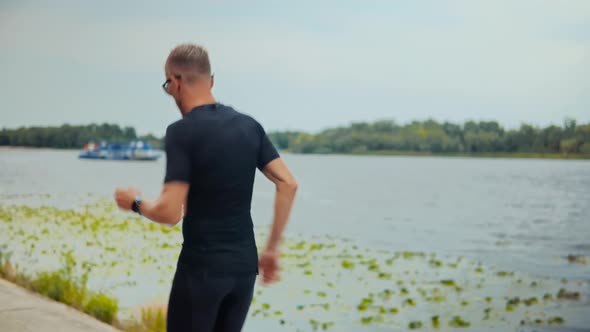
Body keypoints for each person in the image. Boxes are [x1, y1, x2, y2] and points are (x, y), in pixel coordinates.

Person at [114, 43, 298, 332]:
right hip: (243, 269)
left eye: (166, 85)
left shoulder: (181, 132)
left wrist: (134, 203)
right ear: (211, 81)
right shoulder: (250, 127)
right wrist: (272, 249)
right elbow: (288, 183)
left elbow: (169, 213)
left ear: (174, 83)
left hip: (202, 270)